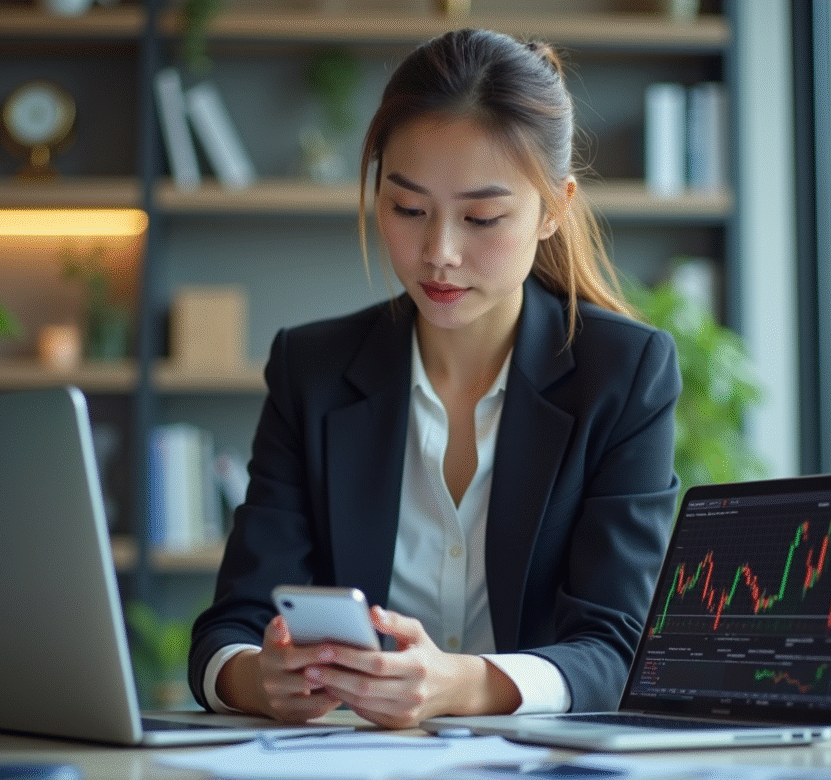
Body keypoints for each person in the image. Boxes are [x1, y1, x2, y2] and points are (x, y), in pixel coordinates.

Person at [188, 27, 680, 729]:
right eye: (408, 209)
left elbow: (620, 647)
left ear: (555, 209)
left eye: (482, 217)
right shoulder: (313, 370)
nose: (438, 253)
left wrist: (465, 685)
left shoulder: (623, 374)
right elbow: (228, 629)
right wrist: (254, 677)